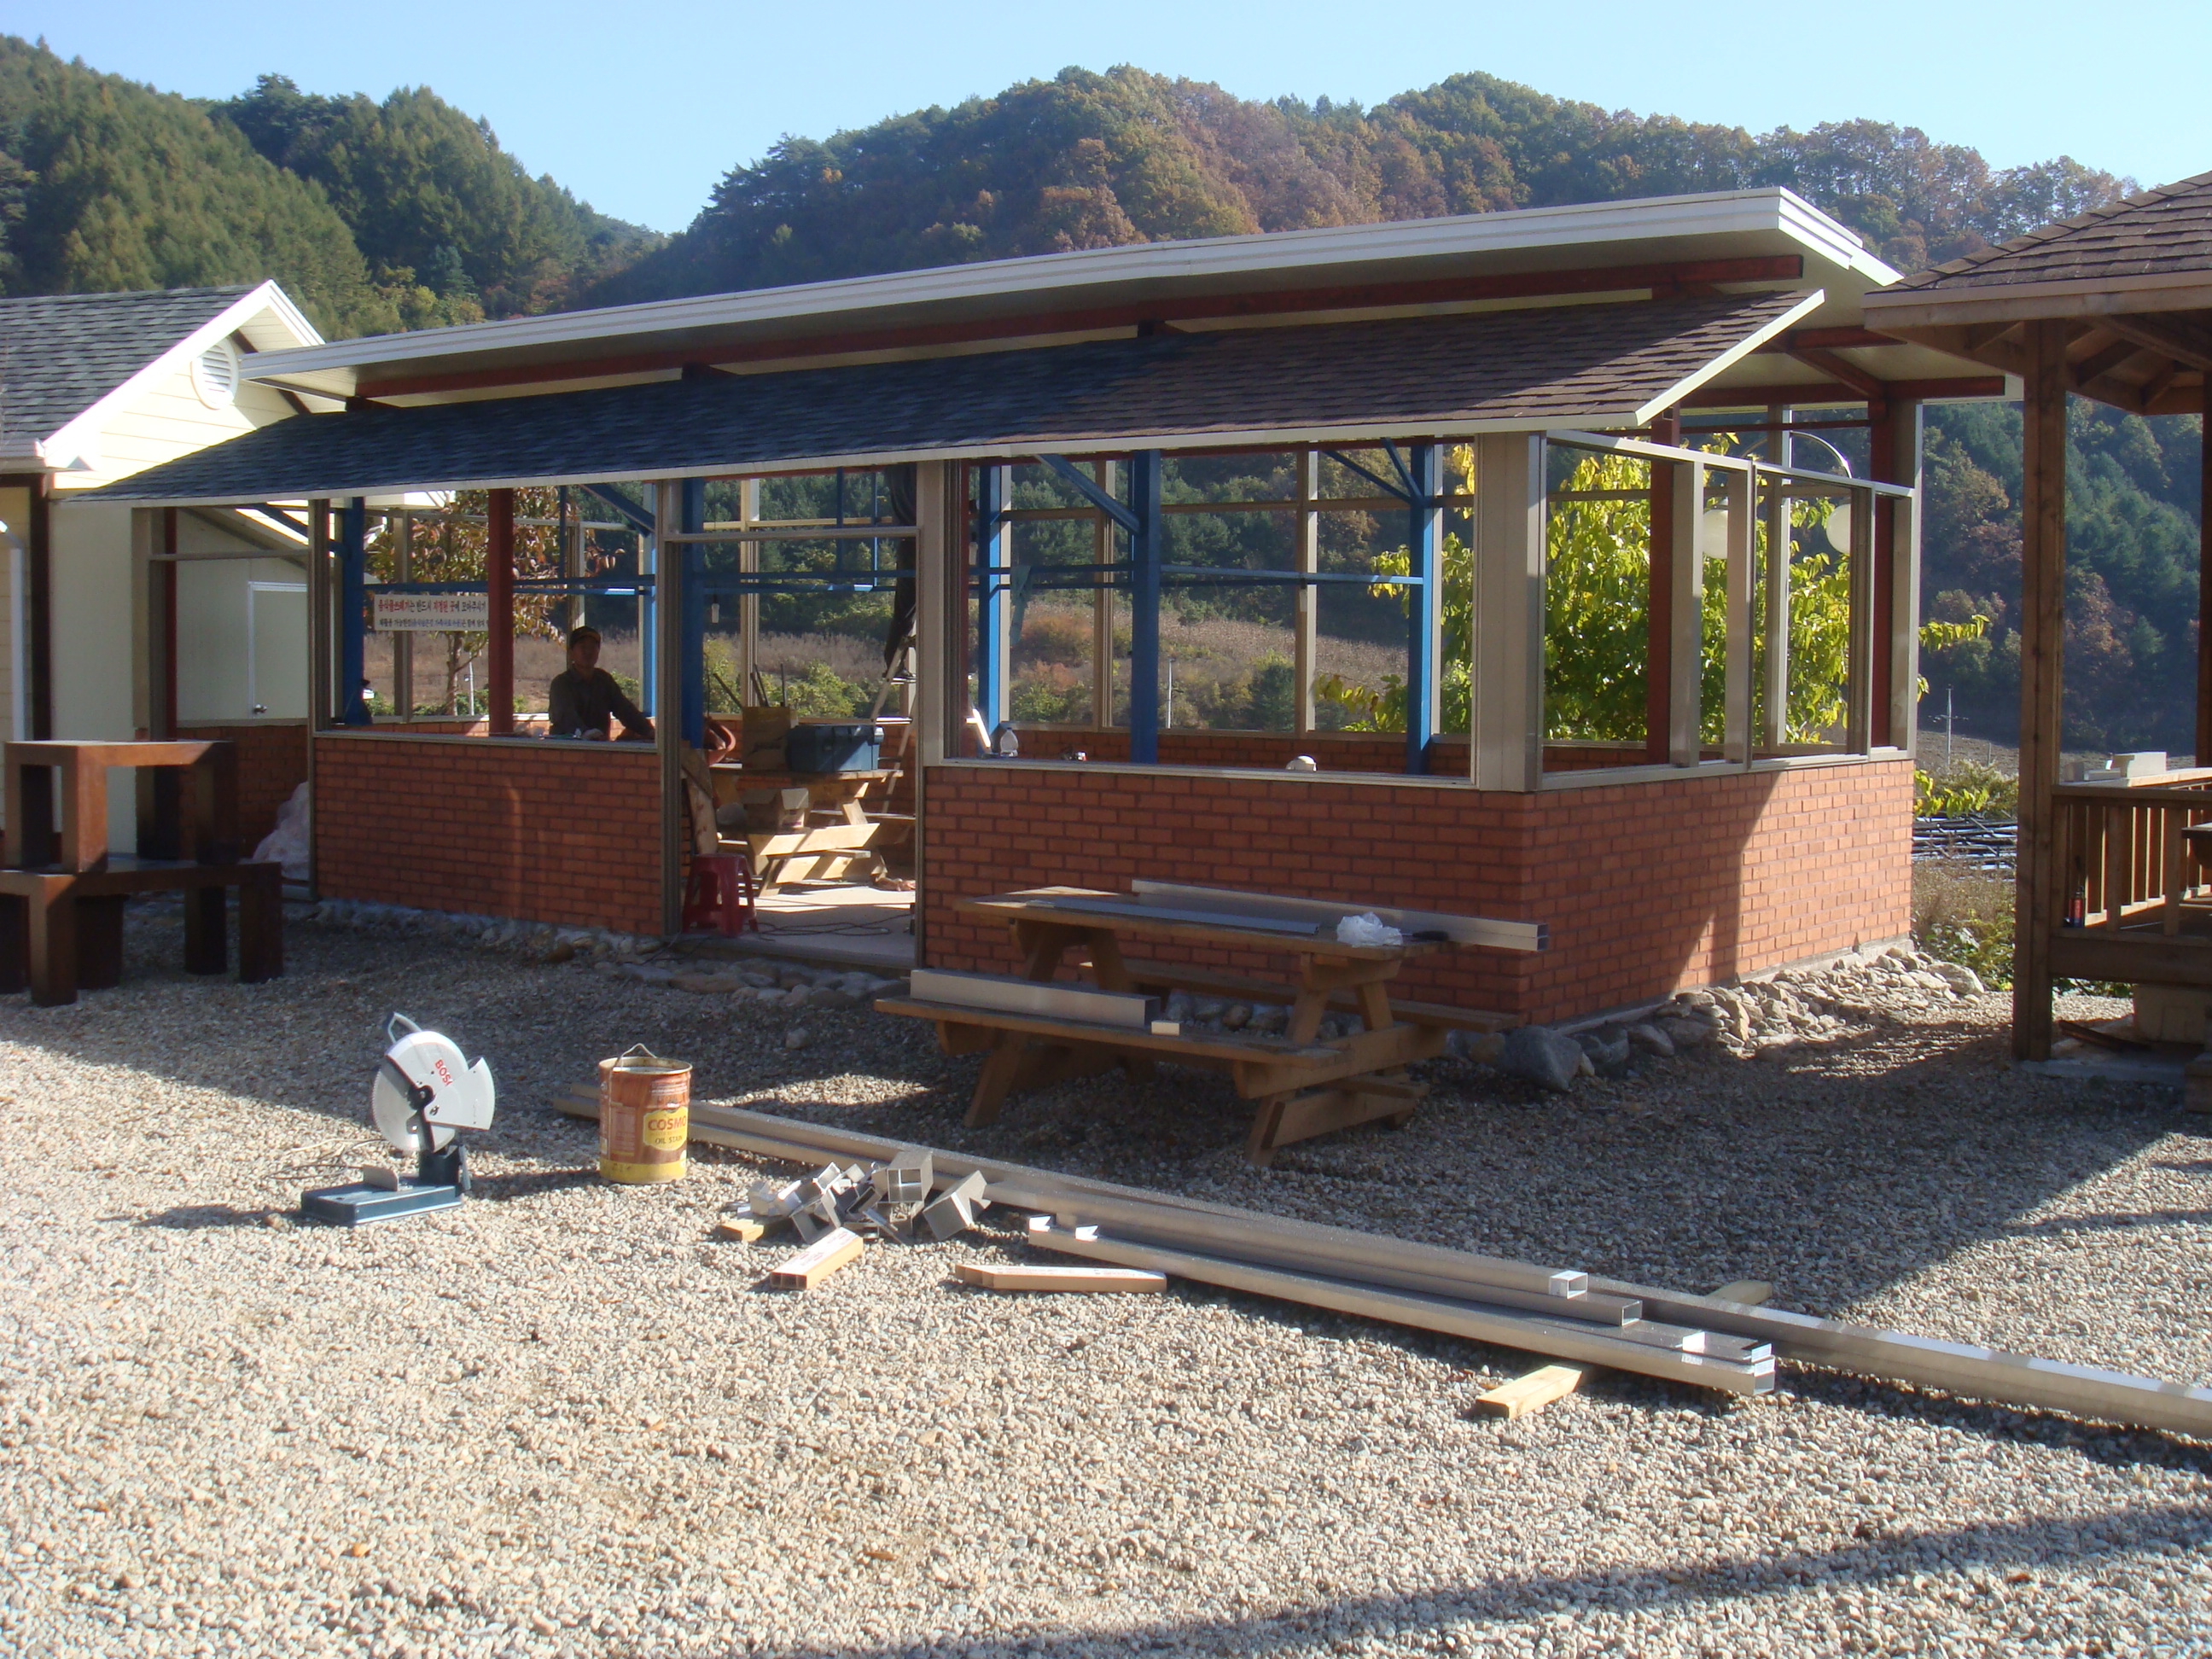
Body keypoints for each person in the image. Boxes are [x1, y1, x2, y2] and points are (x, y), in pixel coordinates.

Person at [548, 626, 653, 740]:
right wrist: (587, 734)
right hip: (568, 747)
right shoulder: (561, 684)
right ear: (571, 653)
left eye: (592, 647)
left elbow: (625, 710)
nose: (588, 652)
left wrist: (649, 731)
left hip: (600, 747)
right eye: (583, 647)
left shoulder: (604, 680)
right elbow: (566, 718)